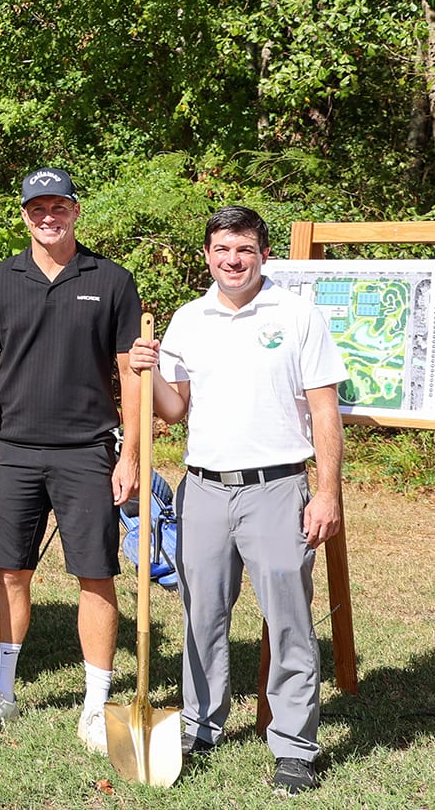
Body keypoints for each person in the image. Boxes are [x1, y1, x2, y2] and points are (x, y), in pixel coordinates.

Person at [0, 167, 141, 754]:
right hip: (13, 451)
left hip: (89, 452)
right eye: (37, 207)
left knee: (95, 575)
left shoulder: (113, 280)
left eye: (59, 206)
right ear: (23, 213)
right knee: (11, 572)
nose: (48, 216)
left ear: (75, 210)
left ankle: (95, 704)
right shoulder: (0, 280)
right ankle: (1, 692)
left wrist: (133, 454)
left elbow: (129, 374)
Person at [128, 206, 344, 795]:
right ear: (207, 255)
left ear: (263, 254)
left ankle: (295, 746)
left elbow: (325, 410)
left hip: (277, 487)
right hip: (204, 489)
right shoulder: (188, 319)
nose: (233, 260)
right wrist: (145, 377)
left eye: (244, 249)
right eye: (222, 249)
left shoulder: (296, 315)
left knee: (289, 621)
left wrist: (326, 492)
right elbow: (176, 409)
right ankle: (201, 724)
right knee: (202, 614)